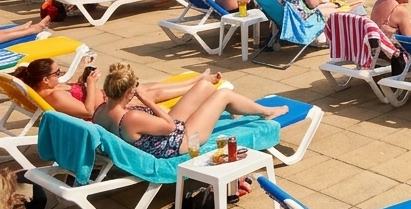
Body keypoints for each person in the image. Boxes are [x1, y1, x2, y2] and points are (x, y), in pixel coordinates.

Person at [93, 62, 288, 159]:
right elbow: (169, 126)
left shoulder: (101, 110)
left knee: (204, 87)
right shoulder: (131, 117)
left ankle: (223, 97)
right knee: (223, 95)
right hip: (182, 142)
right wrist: (147, 101)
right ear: (128, 92)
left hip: (163, 136)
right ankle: (265, 112)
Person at [17, 56, 213, 122]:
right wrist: (91, 84)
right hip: (105, 110)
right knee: (149, 93)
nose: (60, 74)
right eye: (57, 72)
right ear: (44, 79)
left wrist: (83, 79)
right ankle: (199, 84)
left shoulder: (49, 88)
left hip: (103, 99)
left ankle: (197, 80)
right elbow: (87, 111)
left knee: (148, 87)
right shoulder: (55, 96)